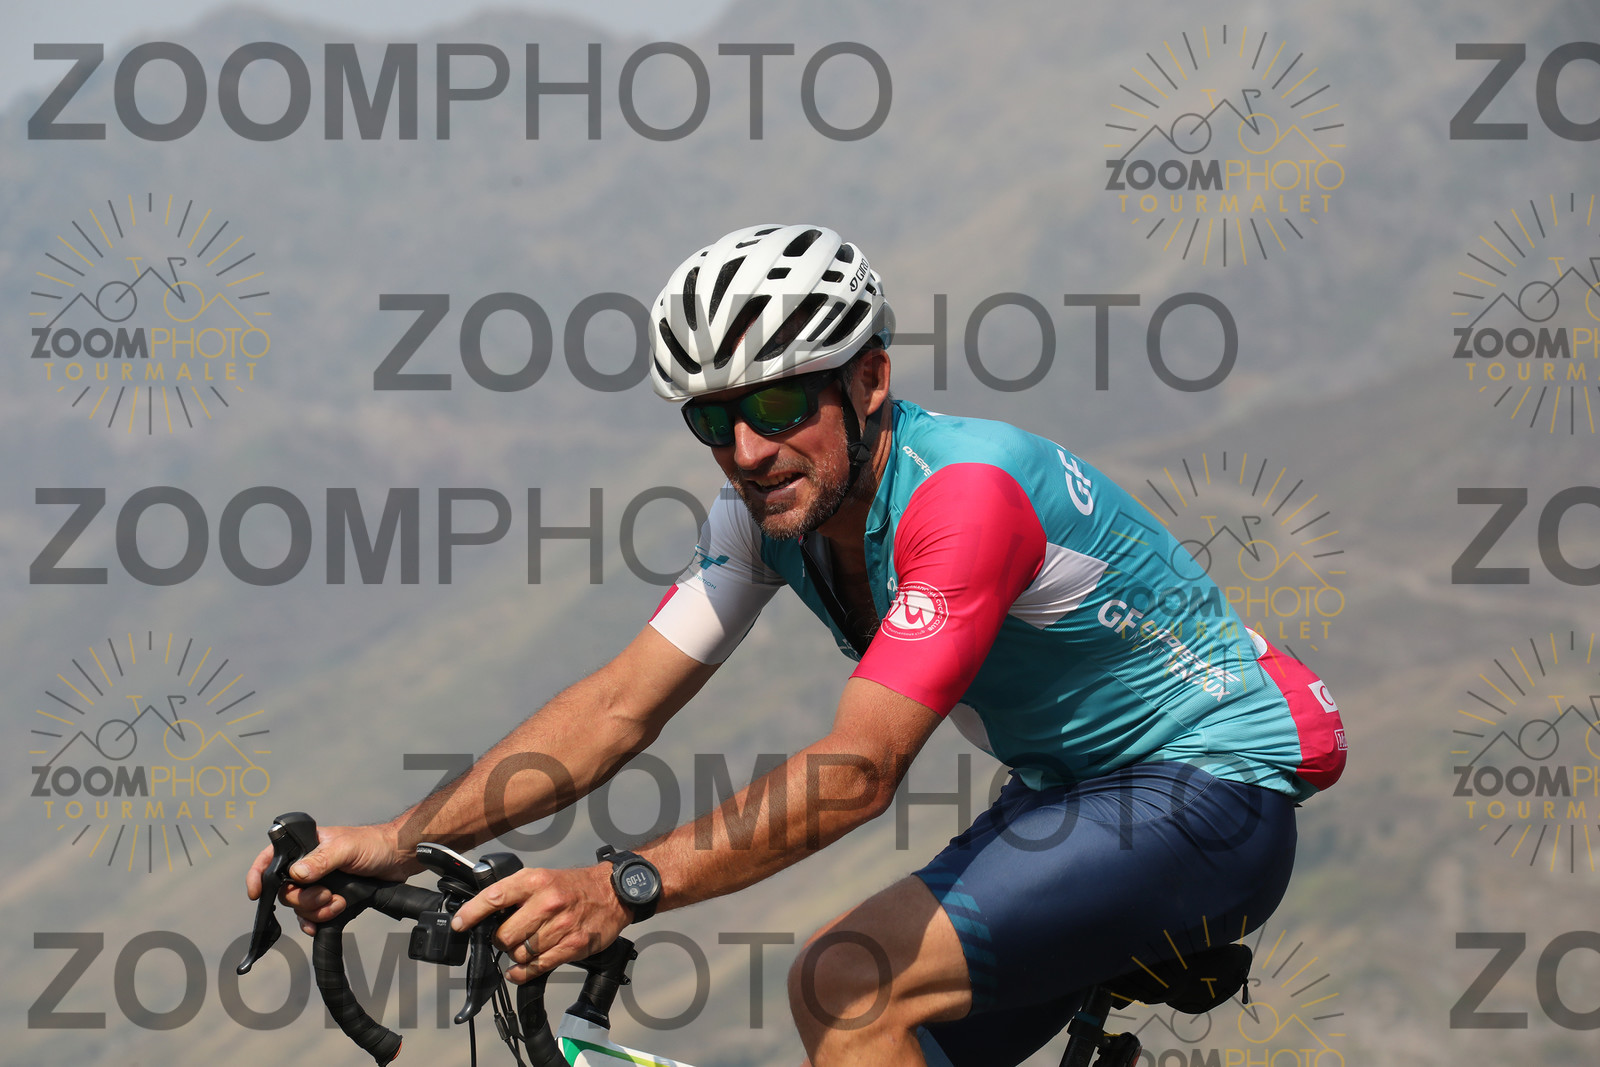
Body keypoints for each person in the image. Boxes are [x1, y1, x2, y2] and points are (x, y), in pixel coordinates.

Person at [248, 224, 1346, 1067]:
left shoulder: (965, 499)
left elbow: (859, 770)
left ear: (868, 381)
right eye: (710, 419)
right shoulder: (765, 515)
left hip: (1206, 789)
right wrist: (398, 840)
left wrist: (620, 886)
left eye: (776, 404)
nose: (745, 449)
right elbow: (619, 707)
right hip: (1065, 794)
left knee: (848, 983)